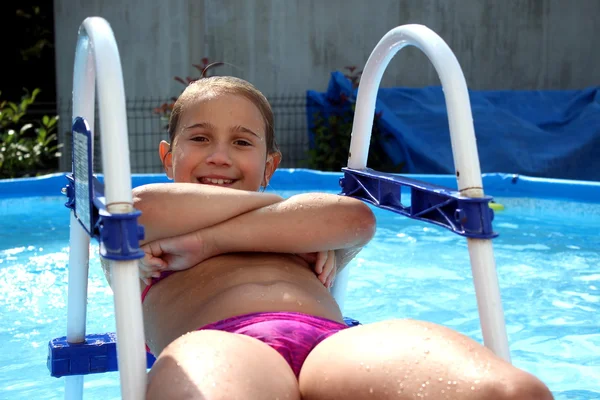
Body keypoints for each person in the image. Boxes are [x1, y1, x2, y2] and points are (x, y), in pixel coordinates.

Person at [102, 76, 553, 399]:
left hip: (333, 343)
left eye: (242, 143)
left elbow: (355, 217)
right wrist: (288, 213)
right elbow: (141, 207)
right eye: (200, 138)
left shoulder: (289, 219)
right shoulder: (139, 229)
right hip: (220, 341)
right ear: (167, 157)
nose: (220, 156)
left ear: (269, 167)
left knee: (511, 392)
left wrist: (209, 244)